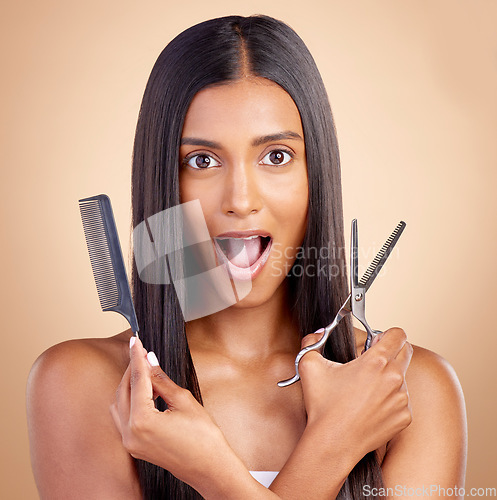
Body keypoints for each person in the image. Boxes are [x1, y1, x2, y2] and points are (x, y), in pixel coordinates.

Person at [26, 14, 467, 499]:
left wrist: (218, 473)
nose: (240, 198)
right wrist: (332, 443)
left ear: (315, 176)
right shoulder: (86, 386)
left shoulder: (406, 392)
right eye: (202, 160)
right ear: (162, 184)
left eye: (276, 156)